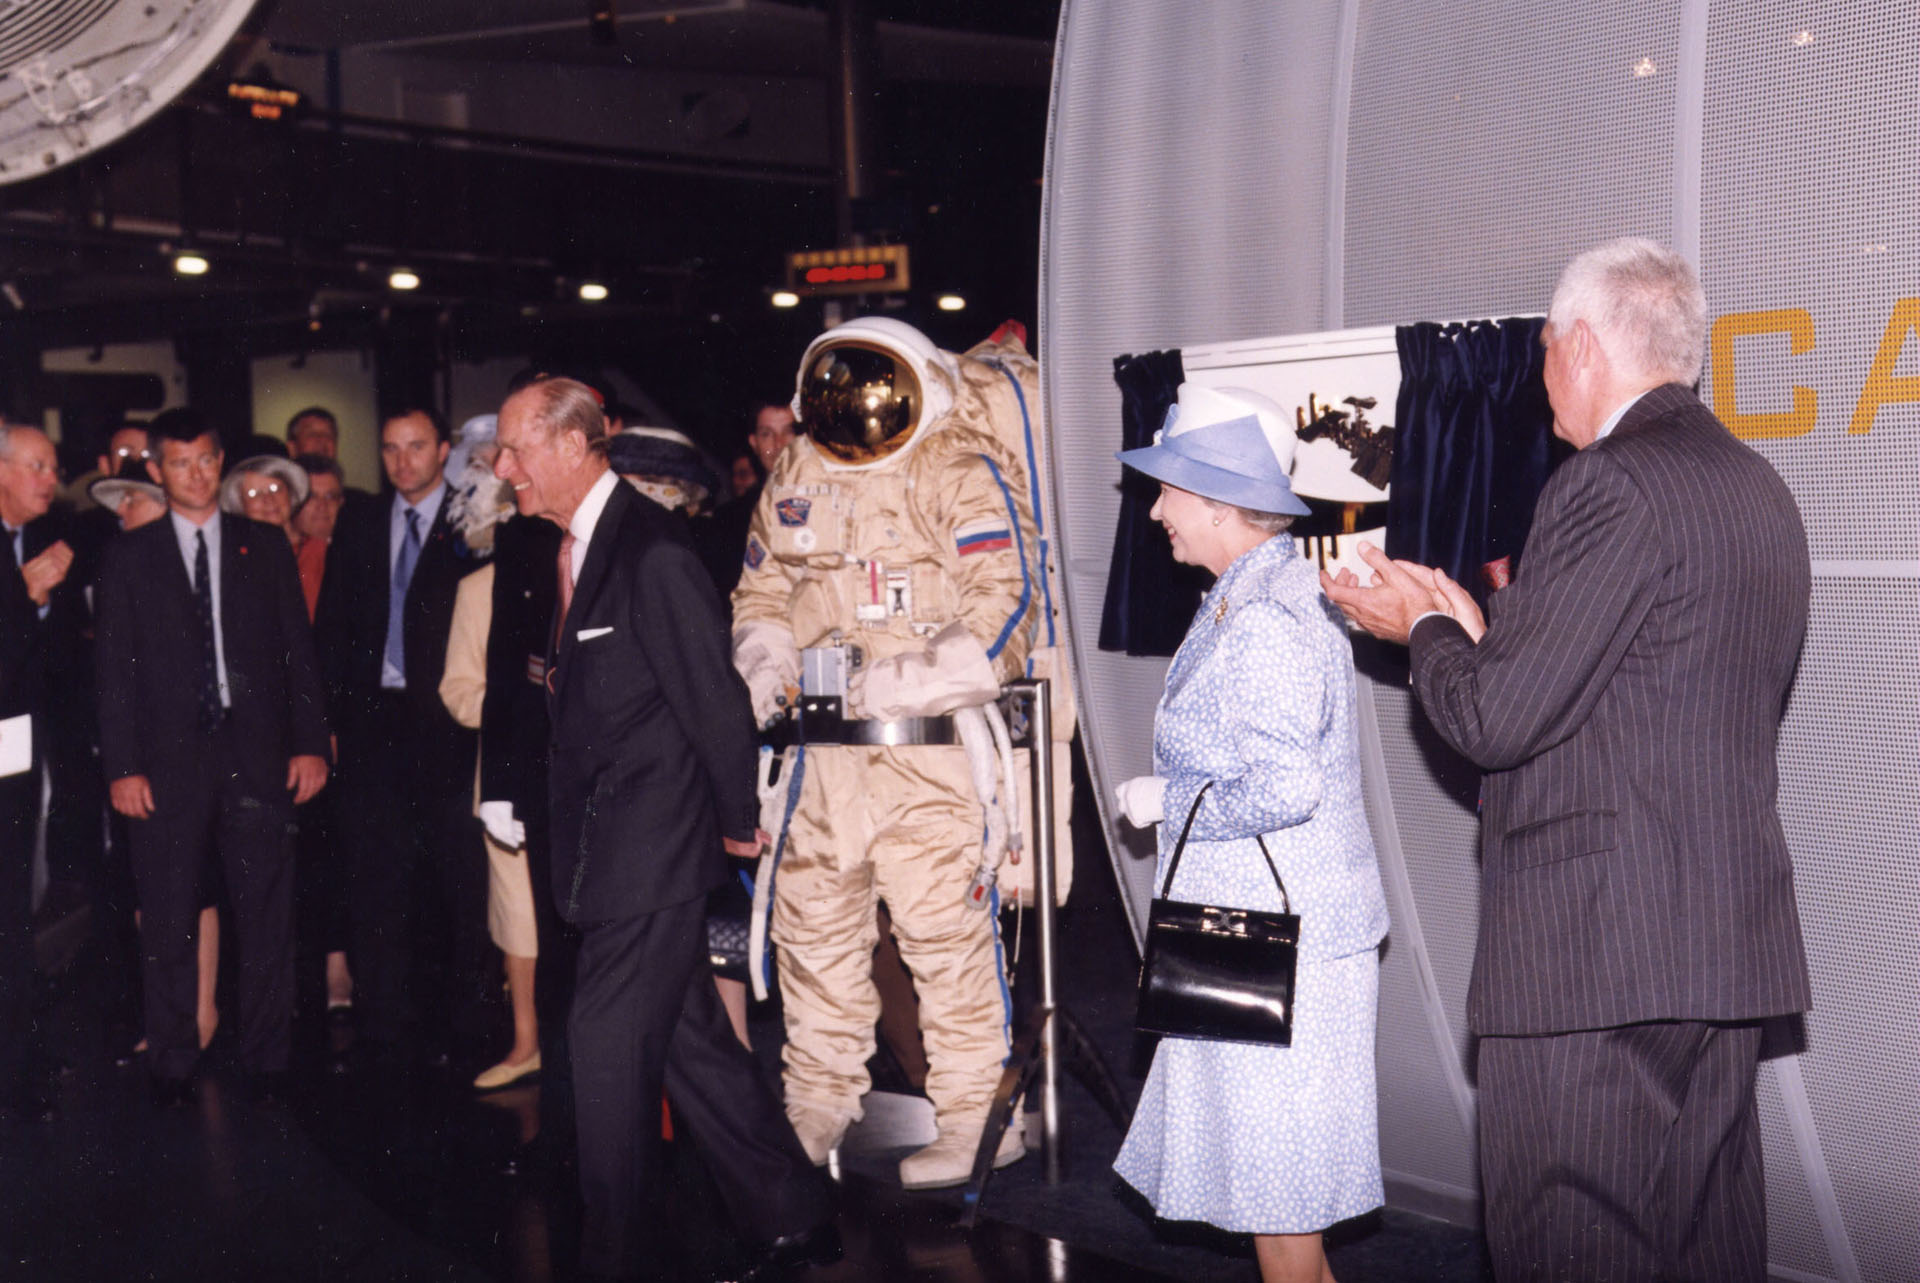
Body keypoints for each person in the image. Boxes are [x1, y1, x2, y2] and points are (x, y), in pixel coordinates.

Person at [1325, 238, 1812, 1282]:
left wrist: (1423, 629)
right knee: (1704, 1251)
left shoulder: (1607, 483)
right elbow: (1630, 699)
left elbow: (1496, 723)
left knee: (1573, 1252)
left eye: (1545, 346)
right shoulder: (1754, 485)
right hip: (1716, 953)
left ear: (1580, 343)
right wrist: (1475, 631)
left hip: (1593, 964)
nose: (1542, 369)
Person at [491, 376, 834, 1283]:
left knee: (602, 1058)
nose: (502, 466)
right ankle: (794, 1216)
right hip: (608, 851)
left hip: (652, 852)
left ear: (573, 446)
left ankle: (612, 1261)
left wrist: (736, 825)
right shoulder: (574, 547)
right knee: (694, 1047)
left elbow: (715, 706)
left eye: (517, 447)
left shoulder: (652, 551)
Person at [730, 317, 1039, 1188]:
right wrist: (765, 663)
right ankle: (818, 1101)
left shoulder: (955, 467)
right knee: (813, 936)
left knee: (944, 938)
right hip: (820, 760)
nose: (857, 409)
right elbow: (759, 591)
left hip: (928, 750)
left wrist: (909, 680)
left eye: (875, 385)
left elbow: (1007, 608)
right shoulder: (797, 469)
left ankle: (979, 1115)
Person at [1107, 384, 1389, 1283]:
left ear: (1221, 504)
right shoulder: (1249, 594)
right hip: (1272, 939)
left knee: (1282, 1222)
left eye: (1169, 492)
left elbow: (1284, 784)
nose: (1156, 512)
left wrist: (1175, 802)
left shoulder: (1265, 615)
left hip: (1280, 949)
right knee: (1282, 1216)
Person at [95, 407, 330, 1105]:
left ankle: (267, 1056)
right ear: (157, 472)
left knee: (266, 911)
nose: (195, 475)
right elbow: (112, 671)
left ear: (219, 462)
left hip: (255, 754)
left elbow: (299, 655)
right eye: (179, 463)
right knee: (167, 914)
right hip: (164, 762)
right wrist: (122, 766)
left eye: (205, 460)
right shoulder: (130, 557)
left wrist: (312, 743)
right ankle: (172, 1058)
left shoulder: (264, 545)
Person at [316, 406, 487, 1062]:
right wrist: (328, 722)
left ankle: (466, 1018)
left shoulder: (475, 521)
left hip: (447, 720)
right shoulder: (358, 519)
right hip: (372, 724)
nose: (402, 461)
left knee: (456, 874)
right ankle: (383, 1019)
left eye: (416, 447)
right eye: (390, 448)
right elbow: (331, 626)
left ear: (443, 449)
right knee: (375, 874)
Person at [90, 461, 223, 1059]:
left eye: (133, 503)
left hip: (199, 758)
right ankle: (173, 1020)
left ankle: (199, 1012)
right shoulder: (123, 565)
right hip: (145, 763)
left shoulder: (192, 562)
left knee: (196, 892)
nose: (123, 515)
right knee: (156, 900)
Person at [436, 424, 543, 1092]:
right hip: (505, 778)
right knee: (519, 921)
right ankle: (527, 1040)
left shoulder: (576, 574)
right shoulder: (478, 589)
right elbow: (457, 687)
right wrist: (512, 712)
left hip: (581, 778)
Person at [0, 420, 80, 1121]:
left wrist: (39, 599)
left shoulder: (28, 545)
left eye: (53, 467)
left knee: (15, 911)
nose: (49, 479)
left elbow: (47, 666)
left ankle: (20, 1062)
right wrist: (26, 598)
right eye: (35, 465)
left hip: (17, 759)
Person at [219, 453, 309, 541]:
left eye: (275, 489)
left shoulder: (319, 549)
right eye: (253, 493)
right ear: (240, 504)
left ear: (290, 493)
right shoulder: (236, 553)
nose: (268, 499)